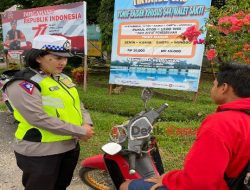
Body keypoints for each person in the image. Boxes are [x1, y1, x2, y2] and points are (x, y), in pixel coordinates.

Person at [120, 63, 250, 190]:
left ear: (224, 88)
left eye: (214, 84)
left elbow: (199, 183)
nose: (212, 88)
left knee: (125, 186)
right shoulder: (244, 117)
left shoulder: (221, 124)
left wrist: (168, 178)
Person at [3, 34, 94, 190]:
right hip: (41, 151)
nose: (63, 62)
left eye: (65, 58)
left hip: (69, 146)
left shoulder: (62, 78)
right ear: (39, 57)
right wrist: (79, 131)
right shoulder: (24, 83)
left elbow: (77, 103)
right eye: (57, 57)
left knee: (61, 186)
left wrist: (86, 123)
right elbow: (38, 118)